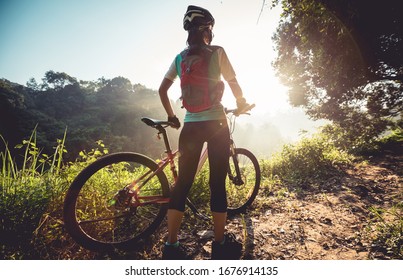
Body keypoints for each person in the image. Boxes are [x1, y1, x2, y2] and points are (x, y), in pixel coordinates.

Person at [158, 5, 250, 260]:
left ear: (188, 32)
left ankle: (171, 246)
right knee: (217, 183)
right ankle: (219, 244)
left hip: (190, 126)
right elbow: (232, 83)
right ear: (208, 29)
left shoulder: (179, 57)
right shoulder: (217, 51)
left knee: (182, 184)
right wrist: (241, 102)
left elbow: (162, 90)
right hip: (217, 125)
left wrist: (171, 116)